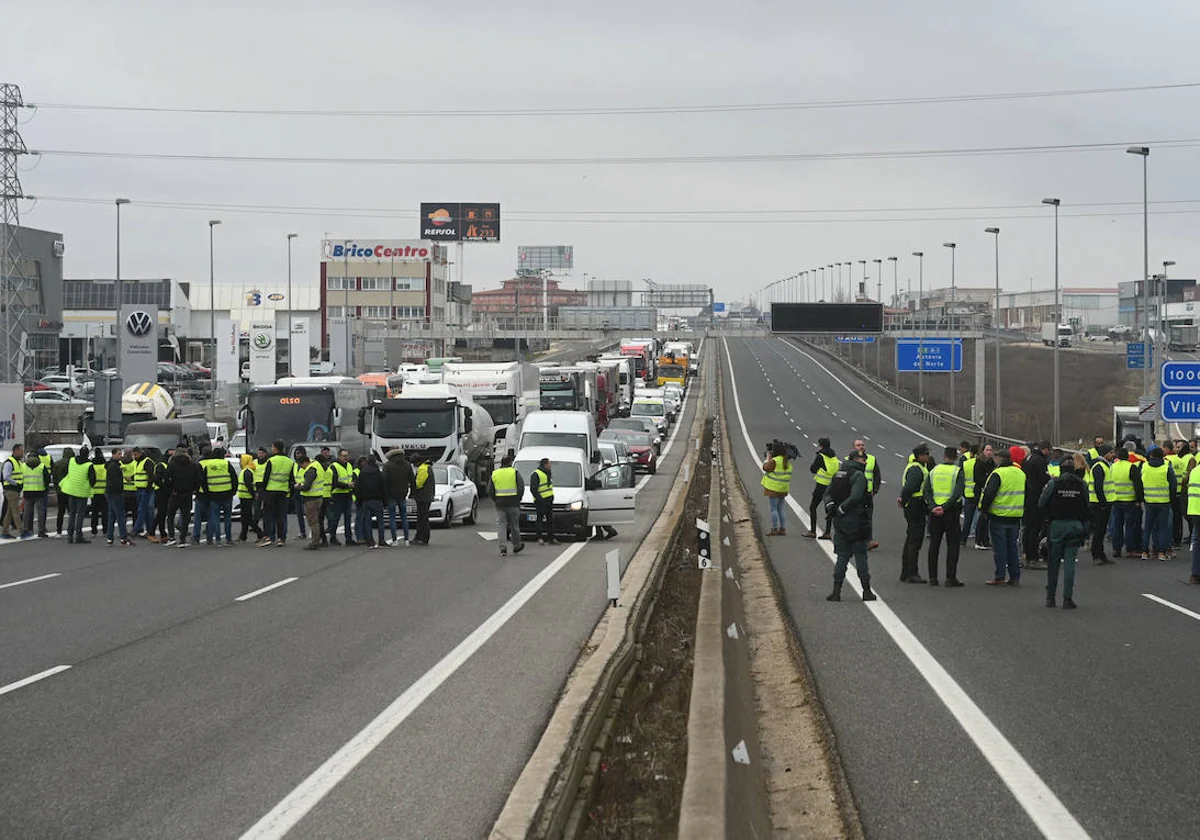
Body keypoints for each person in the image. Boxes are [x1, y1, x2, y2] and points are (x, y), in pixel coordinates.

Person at [823, 448, 877, 603]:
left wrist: (832, 507)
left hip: (839, 523)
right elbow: (856, 497)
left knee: (842, 556)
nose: (865, 462)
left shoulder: (839, 474)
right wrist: (841, 509)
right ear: (855, 460)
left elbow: (827, 494)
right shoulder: (858, 475)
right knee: (861, 556)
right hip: (856, 521)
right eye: (862, 460)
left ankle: (836, 592)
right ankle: (866, 591)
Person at [1039, 459, 1089, 609]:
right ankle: (1067, 598)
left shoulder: (1054, 484)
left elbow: (1041, 503)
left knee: (1053, 562)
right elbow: (1087, 505)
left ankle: (1050, 598)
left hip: (1057, 525)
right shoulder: (1081, 484)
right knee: (1070, 563)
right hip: (1075, 525)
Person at [980, 448, 1025, 586]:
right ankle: (1015, 576)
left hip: (999, 516)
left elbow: (989, 493)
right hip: (1015, 515)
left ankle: (1000, 576)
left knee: (1000, 549)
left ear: (999, 458)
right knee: (1012, 547)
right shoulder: (1020, 473)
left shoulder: (998, 473)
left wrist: (984, 509)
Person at [923, 446, 966, 587]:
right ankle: (950, 577)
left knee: (934, 545)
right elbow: (958, 493)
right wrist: (945, 507)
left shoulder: (934, 470)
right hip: (951, 512)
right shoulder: (957, 471)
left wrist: (933, 506)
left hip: (935, 513)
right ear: (955, 457)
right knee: (952, 545)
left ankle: (933, 578)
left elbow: (926, 491)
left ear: (944, 456)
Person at [1133, 445, 1177, 561]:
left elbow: (1139, 483)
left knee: (1147, 528)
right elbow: (1173, 484)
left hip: (1149, 501)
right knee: (1163, 528)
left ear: (1151, 455)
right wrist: (1171, 498)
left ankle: (1144, 552)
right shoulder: (1167, 466)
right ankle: (1161, 553)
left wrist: (1142, 497)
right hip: (1164, 502)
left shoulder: (1144, 466)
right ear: (1163, 456)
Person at [897, 444, 932, 584]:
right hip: (915, 504)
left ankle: (905, 572)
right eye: (926, 454)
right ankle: (912, 572)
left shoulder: (919, 467)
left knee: (911, 538)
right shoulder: (916, 469)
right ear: (920, 456)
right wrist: (903, 500)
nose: (928, 456)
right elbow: (910, 487)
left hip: (913, 504)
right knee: (915, 540)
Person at [1022, 441, 1052, 571]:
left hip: (1027, 496)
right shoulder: (1040, 460)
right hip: (1036, 496)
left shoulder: (1028, 458)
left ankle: (1027, 555)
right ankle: (1033, 558)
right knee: (1035, 528)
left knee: (1028, 528)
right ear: (1045, 449)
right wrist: (1050, 478)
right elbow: (1044, 479)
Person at [259, 441, 295, 547]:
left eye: (272, 447)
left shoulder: (271, 460)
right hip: (283, 491)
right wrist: (289, 489)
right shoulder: (289, 461)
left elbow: (266, 477)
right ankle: (281, 538)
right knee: (281, 515)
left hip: (271, 490)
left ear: (276, 448)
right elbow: (291, 478)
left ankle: (269, 536)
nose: (272, 449)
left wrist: (263, 489)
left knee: (268, 515)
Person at [489, 454, 525, 557]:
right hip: (513, 503)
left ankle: (503, 548)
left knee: (501, 526)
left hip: (500, 504)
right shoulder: (514, 472)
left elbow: (490, 490)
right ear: (510, 462)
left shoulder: (495, 473)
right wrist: (518, 498)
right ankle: (517, 545)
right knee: (514, 526)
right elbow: (521, 487)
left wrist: (496, 499)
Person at [1086, 444, 1117, 565]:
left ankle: (1101, 554)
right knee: (1099, 530)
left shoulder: (1105, 465)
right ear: (1105, 454)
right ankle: (1096, 555)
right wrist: (1103, 502)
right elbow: (1098, 487)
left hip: (1104, 502)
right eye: (1111, 453)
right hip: (1099, 503)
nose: (1113, 455)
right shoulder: (1099, 467)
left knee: (1102, 530)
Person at [1108, 444, 1140, 558]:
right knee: (1130, 526)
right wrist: (1139, 500)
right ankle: (1130, 549)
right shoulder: (1131, 467)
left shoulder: (1112, 467)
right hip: (1129, 501)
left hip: (1116, 500)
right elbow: (1137, 485)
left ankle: (1116, 549)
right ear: (1127, 456)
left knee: (1117, 525)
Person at [164, 449, 201, 547]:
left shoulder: (172, 464)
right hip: (187, 493)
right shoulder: (192, 465)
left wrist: (170, 489)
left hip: (175, 493)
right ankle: (182, 539)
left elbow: (166, 478)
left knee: (170, 515)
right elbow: (198, 479)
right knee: (185, 517)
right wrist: (194, 490)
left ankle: (171, 537)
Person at [804, 438, 839, 540]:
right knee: (828, 509)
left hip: (821, 485)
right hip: (832, 485)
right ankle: (827, 532)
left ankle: (812, 531)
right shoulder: (834, 457)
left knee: (813, 507)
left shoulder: (821, 456)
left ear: (821, 446)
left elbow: (812, 469)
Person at [61, 446, 96, 544]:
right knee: (80, 514)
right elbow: (92, 479)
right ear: (88, 454)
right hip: (82, 491)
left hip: (71, 489)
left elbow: (66, 472)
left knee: (72, 513)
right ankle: (78, 535)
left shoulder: (71, 460)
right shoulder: (89, 465)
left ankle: (70, 535)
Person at [852, 439, 882, 551]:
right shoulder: (848, 459)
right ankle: (853, 539)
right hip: (853, 494)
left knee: (867, 518)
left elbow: (877, 475)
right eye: (858, 445)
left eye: (862, 445)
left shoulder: (872, 459)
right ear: (854, 447)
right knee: (854, 517)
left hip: (867, 494)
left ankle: (868, 540)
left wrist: (875, 490)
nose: (861, 446)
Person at [383, 448, 414, 547]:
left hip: (391, 495)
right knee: (404, 517)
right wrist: (412, 493)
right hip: (403, 494)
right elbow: (412, 480)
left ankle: (395, 540)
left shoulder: (387, 465)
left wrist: (384, 495)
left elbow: (384, 481)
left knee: (392, 518)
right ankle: (406, 540)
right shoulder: (407, 464)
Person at [761, 440, 793, 536]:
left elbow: (765, 467)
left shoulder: (774, 461)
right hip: (783, 489)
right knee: (781, 509)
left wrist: (767, 458)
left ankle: (774, 528)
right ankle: (782, 529)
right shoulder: (786, 461)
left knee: (773, 509)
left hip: (773, 488)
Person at [354, 456, 387, 547]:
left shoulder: (363, 473)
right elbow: (383, 488)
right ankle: (381, 540)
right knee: (380, 521)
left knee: (367, 521)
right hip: (378, 499)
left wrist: (359, 500)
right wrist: (385, 502)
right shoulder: (379, 473)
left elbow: (358, 488)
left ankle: (370, 540)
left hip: (366, 500)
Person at [104, 448, 134, 546]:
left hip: (110, 493)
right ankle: (123, 537)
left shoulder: (111, 465)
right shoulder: (114, 467)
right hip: (116, 493)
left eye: (120, 454)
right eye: (118, 454)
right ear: (113, 455)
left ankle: (109, 537)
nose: (120, 456)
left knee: (111, 515)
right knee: (120, 516)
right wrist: (121, 491)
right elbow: (115, 482)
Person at [296, 451, 325, 550]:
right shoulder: (317, 465)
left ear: (304, 462)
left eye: (301, 465)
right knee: (316, 520)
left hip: (311, 499)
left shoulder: (310, 471)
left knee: (313, 522)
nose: (301, 468)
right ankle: (317, 540)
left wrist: (298, 487)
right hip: (319, 496)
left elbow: (307, 486)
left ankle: (314, 543)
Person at [327, 448, 356, 546]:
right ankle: (333, 537)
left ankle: (349, 538)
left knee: (348, 517)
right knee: (336, 517)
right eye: (344, 456)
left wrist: (352, 484)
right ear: (339, 456)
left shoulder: (349, 466)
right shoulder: (334, 467)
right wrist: (347, 485)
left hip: (347, 494)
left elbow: (351, 477)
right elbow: (334, 483)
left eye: (347, 456)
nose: (346, 458)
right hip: (338, 494)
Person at [1169, 440, 1194, 551]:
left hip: (1186, 491)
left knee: (1188, 516)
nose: (1176, 449)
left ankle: (1193, 537)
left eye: (1178, 447)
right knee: (1181, 515)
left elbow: (1189, 473)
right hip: (1179, 491)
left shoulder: (1190, 458)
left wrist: (1183, 483)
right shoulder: (1180, 458)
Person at [970, 444, 996, 550]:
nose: (989, 452)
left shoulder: (992, 463)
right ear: (983, 451)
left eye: (990, 450)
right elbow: (977, 478)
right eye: (987, 450)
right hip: (980, 491)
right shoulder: (979, 463)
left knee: (987, 517)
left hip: (988, 492)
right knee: (982, 516)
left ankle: (985, 540)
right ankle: (979, 540)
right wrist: (987, 484)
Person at [20, 451, 50, 540]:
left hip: (27, 491)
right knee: (40, 512)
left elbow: (21, 478)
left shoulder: (23, 466)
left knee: (27, 512)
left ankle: (26, 529)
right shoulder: (41, 466)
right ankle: (41, 530)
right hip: (39, 491)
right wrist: (44, 487)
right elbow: (47, 479)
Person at [237, 453, 264, 543]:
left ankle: (260, 533)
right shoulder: (247, 470)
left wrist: (253, 494)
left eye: (241, 461)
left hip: (247, 497)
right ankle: (243, 535)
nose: (240, 463)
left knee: (247, 517)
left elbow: (248, 484)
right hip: (245, 496)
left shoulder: (247, 471)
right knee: (245, 517)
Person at [529, 457, 555, 546]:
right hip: (540, 501)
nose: (550, 465)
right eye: (549, 464)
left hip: (549, 500)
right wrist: (539, 499)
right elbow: (533, 489)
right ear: (545, 464)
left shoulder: (548, 473)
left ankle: (551, 538)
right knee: (540, 519)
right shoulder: (536, 474)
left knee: (550, 520)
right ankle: (540, 538)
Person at [131, 447, 156, 538]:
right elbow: (139, 474)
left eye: (135, 454)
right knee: (145, 511)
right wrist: (132, 478)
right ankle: (150, 530)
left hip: (145, 489)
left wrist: (148, 488)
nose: (134, 456)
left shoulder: (147, 462)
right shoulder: (137, 462)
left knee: (142, 510)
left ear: (140, 453)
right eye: (133, 455)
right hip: (139, 489)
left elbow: (151, 476)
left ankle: (136, 529)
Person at [1, 442, 25, 539]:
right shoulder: (9, 463)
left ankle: (5, 531)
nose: (22, 453)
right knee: (15, 511)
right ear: (16, 451)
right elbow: (6, 476)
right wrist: (16, 483)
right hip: (11, 490)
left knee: (9, 511)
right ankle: (21, 531)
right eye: (21, 451)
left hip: (15, 490)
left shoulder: (18, 462)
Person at [148, 453, 171, 544]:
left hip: (162, 491)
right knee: (161, 513)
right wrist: (166, 487)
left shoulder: (164, 465)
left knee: (162, 514)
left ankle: (163, 535)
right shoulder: (161, 466)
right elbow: (157, 480)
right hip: (160, 492)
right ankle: (152, 533)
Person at [53, 447, 74, 536]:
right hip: (70, 490)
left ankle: (59, 531)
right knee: (71, 511)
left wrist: (56, 488)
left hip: (60, 490)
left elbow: (54, 477)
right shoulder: (73, 464)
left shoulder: (57, 463)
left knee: (60, 511)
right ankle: (71, 530)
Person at [88, 448, 109, 538]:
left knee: (94, 513)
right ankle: (105, 530)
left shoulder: (92, 465)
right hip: (104, 492)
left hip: (94, 492)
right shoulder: (105, 465)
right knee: (105, 513)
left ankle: (94, 531)